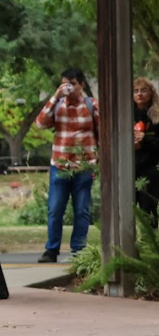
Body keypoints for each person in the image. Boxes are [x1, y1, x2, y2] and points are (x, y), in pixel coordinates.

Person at [35, 67, 99, 263]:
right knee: (55, 209)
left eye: (72, 83)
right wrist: (55, 96)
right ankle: (52, 249)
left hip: (84, 166)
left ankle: (78, 250)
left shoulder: (92, 105)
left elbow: (103, 131)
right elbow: (40, 123)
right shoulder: (57, 104)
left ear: (81, 85)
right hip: (60, 165)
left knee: (81, 210)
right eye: (64, 83)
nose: (68, 87)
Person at [132, 78, 159, 223]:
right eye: (135, 91)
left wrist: (146, 139)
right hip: (130, 168)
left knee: (149, 210)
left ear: (151, 93)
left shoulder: (156, 116)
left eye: (143, 90)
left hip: (150, 169)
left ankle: (150, 242)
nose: (139, 94)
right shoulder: (126, 114)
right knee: (128, 207)